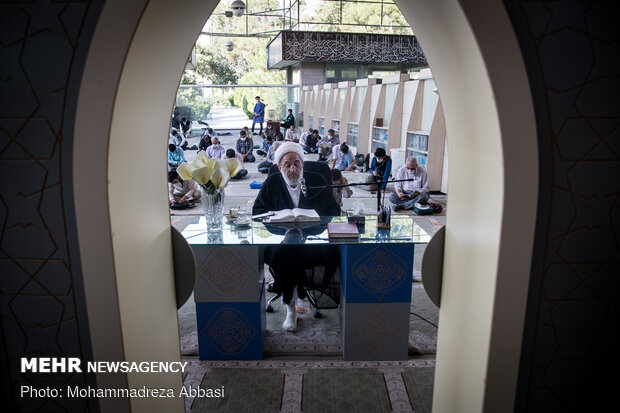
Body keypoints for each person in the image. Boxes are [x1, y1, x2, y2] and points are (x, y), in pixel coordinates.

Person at [253, 142, 340, 332]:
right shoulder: (272, 182)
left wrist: (314, 218)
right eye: (287, 165)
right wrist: (277, 219)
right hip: (279, 235)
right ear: (279, 167)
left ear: (303, 164)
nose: (292, 169)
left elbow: (333, 210)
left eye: (297, 164)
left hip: (312, 234)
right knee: (286, 253)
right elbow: (257, 212)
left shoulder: (316, 179)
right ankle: (292, 306)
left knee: (297, 253)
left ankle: (294, 298)